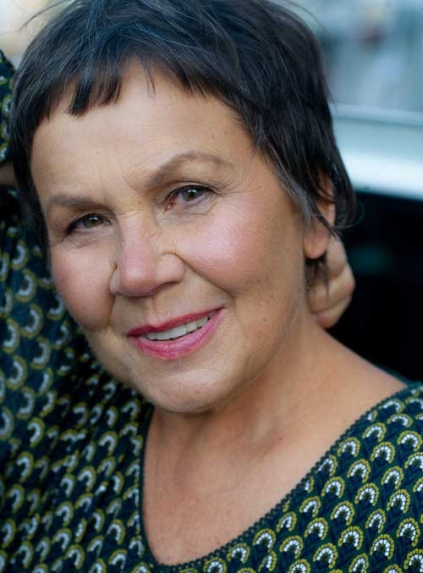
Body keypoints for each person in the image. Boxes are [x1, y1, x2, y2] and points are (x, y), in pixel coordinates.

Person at [1, 1, 422, 571]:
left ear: (317, 199)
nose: (137, 273)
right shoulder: (61, 411)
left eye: (189, 194)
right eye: (86, 221)